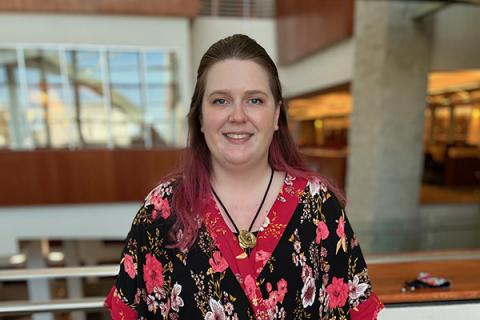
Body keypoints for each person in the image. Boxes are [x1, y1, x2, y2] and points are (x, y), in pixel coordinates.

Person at [105, 34, 383, 319]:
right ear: (200, 117)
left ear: (276, 115)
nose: (237, 116)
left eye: (254, 100)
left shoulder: (319, 207)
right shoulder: (162, 209)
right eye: (221, 100)